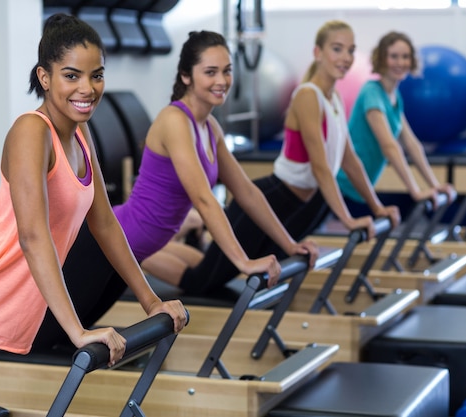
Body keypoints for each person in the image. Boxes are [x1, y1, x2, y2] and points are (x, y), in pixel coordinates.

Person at [0, 13, 186, 416]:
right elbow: (32, 235)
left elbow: (105, 224)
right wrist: (76, 330)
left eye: (96, 75)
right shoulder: (32, 131)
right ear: (44, 77)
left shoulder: (81, 136)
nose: (87, 88)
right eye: (72, 76)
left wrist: (152, 302)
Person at [32, 30, 317, 351]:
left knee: (72, 344)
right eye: (210, 72)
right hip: (105, 245)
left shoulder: (210, 128)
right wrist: (243, 262)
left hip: (129, 255)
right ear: (186, 76)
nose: (221, 80)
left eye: (226, 71)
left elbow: (248, 193)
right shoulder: (175, 121)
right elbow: (204, 200)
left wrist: (290, 245)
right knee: (47, 341)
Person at [155, 20, 401, 296]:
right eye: (337, 49)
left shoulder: (334, 100)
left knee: (213, 268)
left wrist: (376, 207)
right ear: (318, 52)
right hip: (274, 198)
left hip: (294, 204)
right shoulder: (308, 96)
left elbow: (349, 160)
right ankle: (138, 250)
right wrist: (348, 220)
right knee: (199, 282)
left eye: (350, 51)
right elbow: (321, 167)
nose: (345, 58)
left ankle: (156, 243)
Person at [336, 31, 456, 218]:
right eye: (394, 56)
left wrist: (434, 184)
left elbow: (411, 144)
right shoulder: (372, 92)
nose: (400, 63)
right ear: (382, 59)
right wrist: (415, 191)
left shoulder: (394, 97)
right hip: (344, 185)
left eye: (405, 57)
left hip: (361, 188)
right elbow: (389, 146)